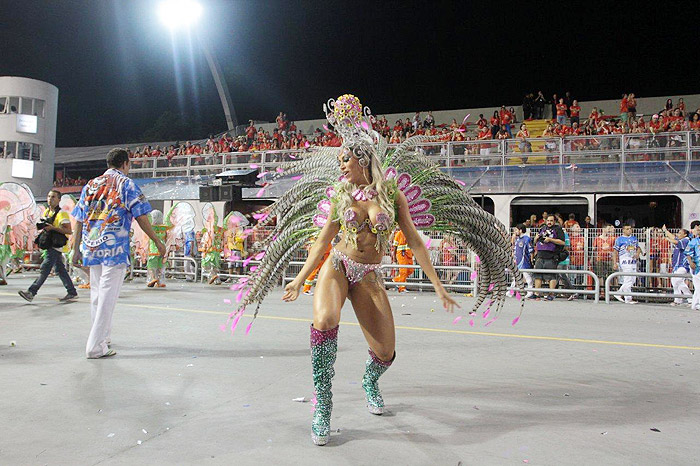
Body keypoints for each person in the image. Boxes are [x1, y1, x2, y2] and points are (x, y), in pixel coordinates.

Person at [71, 148, 166, 359]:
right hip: (114, 248)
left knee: (97, 295)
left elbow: (78, 218)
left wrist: (75, 248)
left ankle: (103, 339)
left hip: (92, 245)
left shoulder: (91, 185)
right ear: (125, 163)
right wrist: (157, 241)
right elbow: (141, 216)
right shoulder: (126, 184)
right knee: (107, 296)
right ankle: (95, 346)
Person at [18, 189, 78, 302]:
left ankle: (31, 292)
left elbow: (69, 230)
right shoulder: (46, 212)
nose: (50, 199)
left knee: (45, 268)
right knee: (60, 269)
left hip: (56, 246)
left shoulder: (62, 214)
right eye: (49, 196)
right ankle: (72, 291)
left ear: (59, 200)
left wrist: (52, 228)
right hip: (50, 244)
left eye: (54, 197)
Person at [531, 215, 566, 300]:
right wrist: (535, 239)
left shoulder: (558, 229)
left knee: (551, 276)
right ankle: (537, 294)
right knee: (537, 276)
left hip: (551, 256)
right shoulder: (542, 228)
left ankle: (551, 294)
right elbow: (535, 242)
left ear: (554, 221)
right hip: (540, 255)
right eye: (548, 220)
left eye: (551, 220)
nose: (549, 222)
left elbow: (562, 242)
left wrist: (550, 240)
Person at [612, 223, 642, 304]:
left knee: (632, 279)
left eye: (630, 229)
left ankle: (618, 293)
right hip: (624, 261)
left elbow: (638, 248)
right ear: (623, 230)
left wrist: (637, 254)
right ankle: (628, 298)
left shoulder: (634, 238)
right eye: (627, 229)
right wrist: (615, 263)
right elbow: (615, 251)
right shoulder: (619, 239)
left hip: (633, 261)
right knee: (628, 279)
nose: (629, 230)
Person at [663, 225, 691, 306]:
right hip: (677, 265)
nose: (677, 234)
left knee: (677, 281)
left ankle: (689, 299)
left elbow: (675, 241)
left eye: (679, 233)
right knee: (676, 281)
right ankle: (679, 299)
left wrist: (667, 239)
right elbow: (673, 237)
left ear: (685, 234)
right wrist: (665, 231)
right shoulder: (681, 239)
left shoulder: (686, 240)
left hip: (683, 265)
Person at [511, 224, 534, 298]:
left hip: (524, 261)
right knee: (515, 277)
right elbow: (514, 249)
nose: (515, 232)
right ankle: (511, 291)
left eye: (516, 230)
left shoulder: (527, 239)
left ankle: (530, 291)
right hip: (517, 261)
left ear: (521, 230)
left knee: (527, 276)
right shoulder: (517, 239)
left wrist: (531, 260)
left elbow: (531, 250)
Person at [392, 228, 414, 293]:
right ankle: (402, 288)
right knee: (403, 271)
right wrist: (394, 257)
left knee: (411, 270)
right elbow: (394, 247)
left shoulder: (410, 233)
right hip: (401, 254)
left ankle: (396, 280)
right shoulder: (398, 234)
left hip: (409, 254)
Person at [685, 221, 700, 310]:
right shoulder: (694, 241)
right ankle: (696, 304)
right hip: (697, 267)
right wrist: (691, 263)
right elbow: (688, 253)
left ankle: (694, 304)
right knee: (698, 286)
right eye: (697, 228)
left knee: (698, 287)